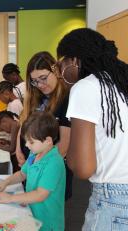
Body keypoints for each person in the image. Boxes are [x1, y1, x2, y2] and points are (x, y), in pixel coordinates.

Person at [56, 28, 128, 230]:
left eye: (61, 63)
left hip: (114, 201)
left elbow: (83, 168)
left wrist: (69, 152)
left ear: (75, 60)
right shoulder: (123, 81)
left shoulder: (86, 87)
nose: (60, 70)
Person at [0, 112, 65, 231]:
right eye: (26, 141)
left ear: (48, 141)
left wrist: (11, 198)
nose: (26, 145)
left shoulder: (54, 163)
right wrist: (5, 182)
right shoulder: (34, 154)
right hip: (33, 213)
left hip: (47, 221)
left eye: (31, 142)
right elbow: (22, 174)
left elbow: (40, 194)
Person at [17, 51, 73, 200]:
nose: (40, 85)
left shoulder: (67, 99)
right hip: (32, 166)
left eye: (43, 78)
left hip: (48, 170)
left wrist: (39, 168)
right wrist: (18, 149)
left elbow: (64, 145)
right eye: (35, 81)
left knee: (48, 214)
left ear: (55, 70)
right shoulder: (35, 97)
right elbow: (24, 124)